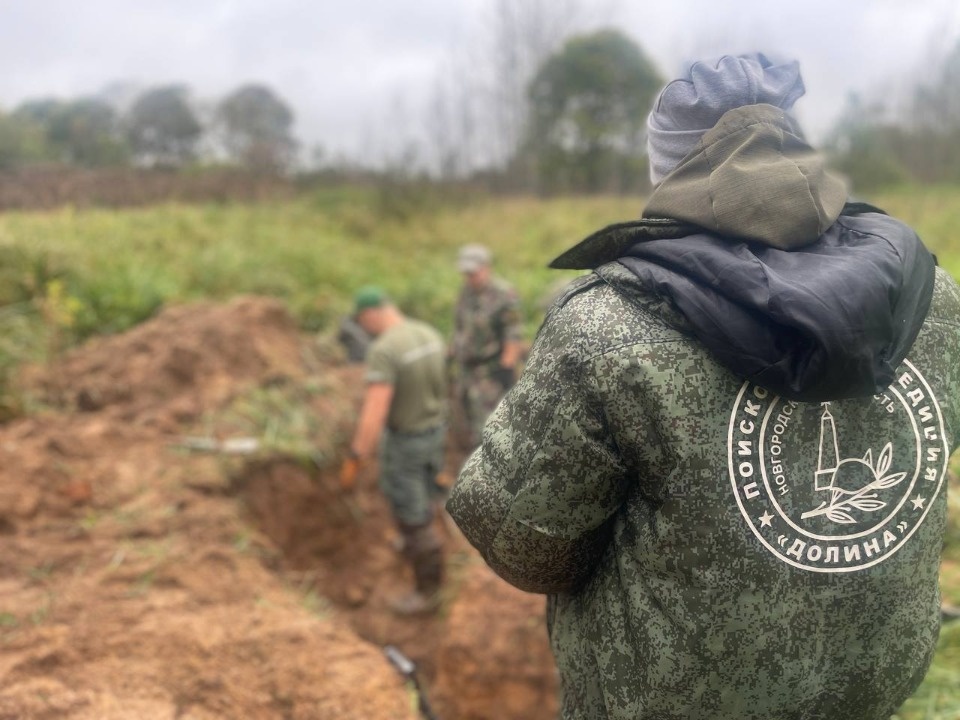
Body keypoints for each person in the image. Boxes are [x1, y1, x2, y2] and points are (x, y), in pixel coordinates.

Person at [446, 53, 960, 719]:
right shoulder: (931, 296)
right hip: (869, 688)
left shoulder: (608, 325)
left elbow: (525, 547)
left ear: (668, 169)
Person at [341, 286, 448, 616]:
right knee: (427, 491)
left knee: (411, 515)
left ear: (370, 314)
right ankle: (421, 540)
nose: (365, 329)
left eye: (363, 322)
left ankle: (428, 592)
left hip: (407, 442)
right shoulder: (428, 333)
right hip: (435, 431)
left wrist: (358, 454)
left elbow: (375, 409)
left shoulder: (385, 349)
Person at [449, 244, 523, 449]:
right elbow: (460, 327)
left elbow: (513, 334)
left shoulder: (504, 294)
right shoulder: (465, 293)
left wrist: (507, 368)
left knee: (489, 428)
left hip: (490, 373)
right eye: (466, 273)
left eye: (474, 272)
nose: (470, 277)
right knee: (468, 423)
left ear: (486, 267)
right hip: (467, 372)